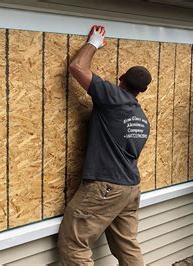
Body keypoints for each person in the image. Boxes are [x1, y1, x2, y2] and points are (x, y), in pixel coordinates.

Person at [57, 25, 151, 266]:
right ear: (142, 90)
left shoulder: (114, 98)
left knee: (74, 243)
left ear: (120, 79)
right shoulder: (141, 117)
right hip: (130, 188)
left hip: (105, 186)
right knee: (127, 244)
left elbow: (77, 67)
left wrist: (94, 43)